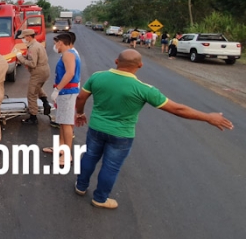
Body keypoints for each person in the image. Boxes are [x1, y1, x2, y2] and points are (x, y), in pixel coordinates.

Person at [74, 49, 233, 209]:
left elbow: (81, 97)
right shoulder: (144, 89)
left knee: (90, 156)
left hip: (96, 128)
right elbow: (177, 109)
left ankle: (80, 186)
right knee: (111, 167)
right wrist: (208, 117)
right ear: (140, 65)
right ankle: (100, 199)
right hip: (121, 134)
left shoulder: (97, 76)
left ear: (116, 61)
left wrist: (80, 113)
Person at [42, 33, 80, 165]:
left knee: (66, 123)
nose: (54, 46)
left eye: (55, 43)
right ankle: (61, 147)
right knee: (63, 122)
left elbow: (70, 73)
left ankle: (67, 154)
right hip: (67, 92)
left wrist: (58, 89)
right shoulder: (70, 53)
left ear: (61, 43)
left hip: (67, 92)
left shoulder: (68, 54)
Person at [16, 29, 52, 125]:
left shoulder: (33, 48)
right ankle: (45, 102)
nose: (23, 39)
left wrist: (20, 58)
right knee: (37, 87)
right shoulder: (38, 45)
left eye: (23, 37)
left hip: (38, 72)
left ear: (28, 36)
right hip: (45, 70)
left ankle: (33, 117)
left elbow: (32, 64)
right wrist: (24, 57)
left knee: (31, 94)